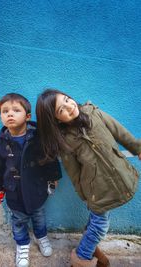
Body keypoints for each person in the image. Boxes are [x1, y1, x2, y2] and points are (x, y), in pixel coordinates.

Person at [36, 88, 141, 267]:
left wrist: (137, 147)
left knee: (96, 222)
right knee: (100, 226)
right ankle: (81, 258)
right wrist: (84, 197)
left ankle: (92, 249)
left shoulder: (93, 113)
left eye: (68, 100)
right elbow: (74, 173)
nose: (69, 107)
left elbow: (119, 131)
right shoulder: (65, 141)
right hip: (96, 190)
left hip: (120, 174)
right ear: (55, 120)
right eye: (61, 110)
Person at [0, 93, 62, 267]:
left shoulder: (38, 138)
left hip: (36, 189)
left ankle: (41, 237)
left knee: (39, 216)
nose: (9, 114)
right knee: (19, 220)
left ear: (27, 116)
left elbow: (50, 157)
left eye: (16, 110)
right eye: (5, 111)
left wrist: (54, 177)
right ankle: (22, 245)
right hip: (14, 192)